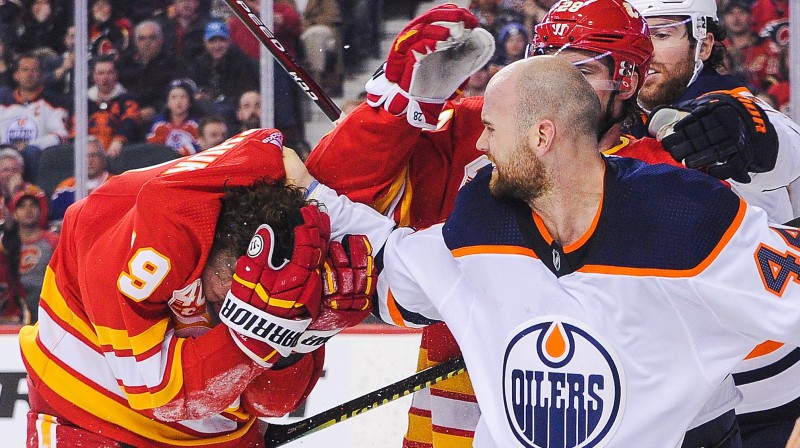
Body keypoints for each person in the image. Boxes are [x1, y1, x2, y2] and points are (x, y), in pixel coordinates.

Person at [307, 1, 799, 446]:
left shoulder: (670, 180)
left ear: (626, 80)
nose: (556, 86)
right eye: (546, 65)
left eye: (580, 69)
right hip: (469, 409)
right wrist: (395, 108)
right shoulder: (480, 133)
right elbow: (335, 191)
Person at [18, 127, 374, 447]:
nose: (239, 293)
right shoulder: (142, 248)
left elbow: (270, 404)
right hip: (86, 419)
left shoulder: (270, 251)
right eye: (234, 277)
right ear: (214, 241)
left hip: (216, 437)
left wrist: (305, 333)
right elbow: (163, 395)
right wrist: (264, 334)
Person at [628, 2, 800, 443]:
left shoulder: (724, 105)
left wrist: (744, 129)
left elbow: (781, 145)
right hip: (671, 401)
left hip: (763, 394)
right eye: (637, 34)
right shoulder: (613, 119)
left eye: (662, 35)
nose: (645, 49)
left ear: (704, 43)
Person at [0, 53, 69, 181]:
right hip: (4, 154)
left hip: (34, 156)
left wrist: (30, 145)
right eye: (25, 70)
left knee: (30, 152)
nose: (29, 74)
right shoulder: (3, 101)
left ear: (41, 75)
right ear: (16, 75)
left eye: (34, 70)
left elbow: (61, 136)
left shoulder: (53, 101)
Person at [10, 184, 56, 323]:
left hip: (46, 304)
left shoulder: (54, 241)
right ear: (14, 213)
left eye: (32, 205)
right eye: (22, 206)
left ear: (40, 210)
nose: (28, 210)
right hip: (14, 305)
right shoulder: (5, 245)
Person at [87, 55, 143, 157]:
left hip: (119, 154)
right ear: (94, 76)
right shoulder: (85, 101)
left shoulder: (127, 98)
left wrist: (119, 140)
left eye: (109, 73)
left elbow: (131, 120)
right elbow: (75, 129)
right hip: (88, 154)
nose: (105, 78)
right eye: (101, 73)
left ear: (116, 75)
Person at [49, 136, 111, 226]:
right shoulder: (64, 188)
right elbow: (56, 224)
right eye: (85, 156)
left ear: (103, 158)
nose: (89, 161)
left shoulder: (115, 184)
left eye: (94, 155)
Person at [146, 78, 201, 156]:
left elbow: (202, 144)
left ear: (190, 102)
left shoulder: (197, 124)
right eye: (174, 97)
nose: (179, 102)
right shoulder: (158, 124)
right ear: (167, 103)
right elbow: (152, 148)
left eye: (183, 97)